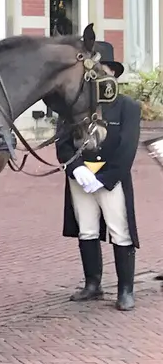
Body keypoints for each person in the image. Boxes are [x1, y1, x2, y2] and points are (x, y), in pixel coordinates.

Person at [56, 40, 141, 311]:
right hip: (81, 176)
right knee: (87, 229)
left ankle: (125, 290)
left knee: (120, 232)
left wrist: (104, 178)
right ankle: (93, 284)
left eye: (105, 70)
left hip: (109, 178)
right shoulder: (74, 106)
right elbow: (63, 143)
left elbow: (127, 148)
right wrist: (76, 168)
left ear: (113, 74)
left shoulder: (127, 106)